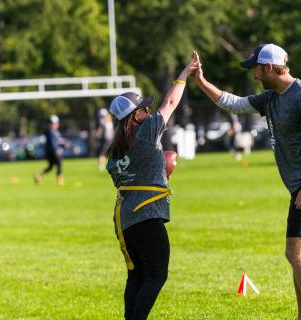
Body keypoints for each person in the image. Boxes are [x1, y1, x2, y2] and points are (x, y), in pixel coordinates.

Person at [193, 44, 301, 320]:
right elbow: (233, 104)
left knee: (295, 254)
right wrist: (200, 81)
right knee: (299, 255)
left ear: (269, 67)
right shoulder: (271, 98)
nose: (254, 73)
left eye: (256, 68)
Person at [106, 52, 199, 320]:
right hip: (147, 214)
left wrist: (159, 173)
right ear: (134, 117)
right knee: (157, 274)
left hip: (124, 218)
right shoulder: (146, 134)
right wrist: (184, 74)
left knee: (137, 275)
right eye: (144, 109)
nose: (149, 112)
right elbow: (170, 102)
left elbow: (128, 178)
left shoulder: (114, 151)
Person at [34, 115, 66, 185]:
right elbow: (53, 142)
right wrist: (56, 150)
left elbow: (57, 141)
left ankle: (39, 176)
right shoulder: (51, 131)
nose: (57, 124)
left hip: (49, 151)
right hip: (53, 151)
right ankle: (60, 181)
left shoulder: (52, 131)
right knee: (59, 165)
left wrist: (63, 144)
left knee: (50, 167)